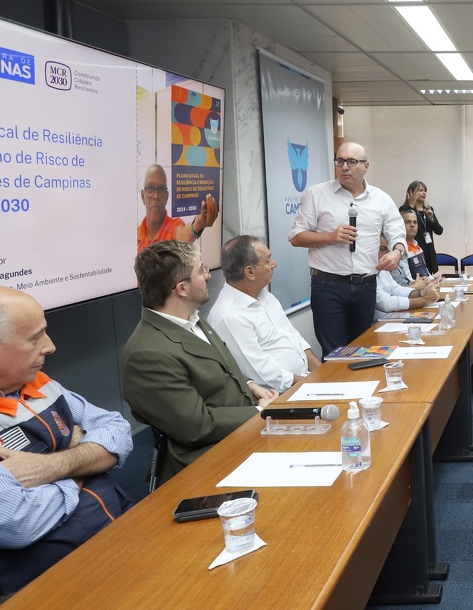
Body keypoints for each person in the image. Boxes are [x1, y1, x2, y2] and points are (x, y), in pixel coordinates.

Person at [0, 287, 133, 610]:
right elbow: (20, 521)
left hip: (116, 541)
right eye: (36, 338)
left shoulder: (35, 382)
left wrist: (52, 467)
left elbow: (117, 429)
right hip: (38, 596)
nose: (50, 346)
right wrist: (80, 462)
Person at [122, 241, 278, 485]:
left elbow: (217, 371)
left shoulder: (191, 318)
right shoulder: (147, 354)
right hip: (208, 461)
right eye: (202, 270)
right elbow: (197, 426)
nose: (208, 276)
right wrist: (262, 411)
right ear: (182, 289)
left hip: (243, 433)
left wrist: (249, 385)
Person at [289, 142, 406, 354]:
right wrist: (329, 237)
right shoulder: (316, 194)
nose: (344, 167)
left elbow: (397, 232)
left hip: (366, 285)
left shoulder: (381, 199)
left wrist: (397, 251)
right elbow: (296, 237)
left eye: (352, 162)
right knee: (335, 353)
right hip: (328, 285)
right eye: (340, 161)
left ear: (366, 166)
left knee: (361, 350)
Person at [207, 236, 321, 392]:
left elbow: (293, 337)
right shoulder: (229, 316)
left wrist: (321, 373)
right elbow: (261, 374)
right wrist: (311, 385)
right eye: (268, 261)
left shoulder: (265, 295)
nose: (275, 264)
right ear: (250, 272)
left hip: (305, 380)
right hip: (281, 394)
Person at [136, 163, 218, 252]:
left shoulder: (174, 227)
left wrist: (198, 224)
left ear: (167, 197)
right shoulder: (135, 235)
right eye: (151, 188)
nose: (156, 196)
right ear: (143, 196)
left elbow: (183, 236)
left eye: (161, 189)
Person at [376, 234, 442, 316]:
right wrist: (425, 299)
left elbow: (396, 290)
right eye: (382, 249)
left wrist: (422, 292)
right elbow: (385, 303)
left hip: (393, 316)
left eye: (389, 250)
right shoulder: (366, 272)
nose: (388, 255)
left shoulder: (383, 269)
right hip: (377, 324)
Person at [404, 180, 442, 274]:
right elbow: (408, 226)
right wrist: (411, 205)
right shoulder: (404, 209)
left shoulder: (428, 209)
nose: (424, 193)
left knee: (429, 278)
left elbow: (439, 231)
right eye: (420, 190)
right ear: (411, 193)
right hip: (414, 251)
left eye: (425, 191)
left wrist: (431, 218)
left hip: (429, 251)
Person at [399, 208, 431, 278]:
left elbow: (425, 272)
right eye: (408, 222)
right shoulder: (399, 248)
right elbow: (408, 280)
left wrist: (434, 280)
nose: (412, 225)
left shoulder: (418, 247)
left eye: (415, 222)